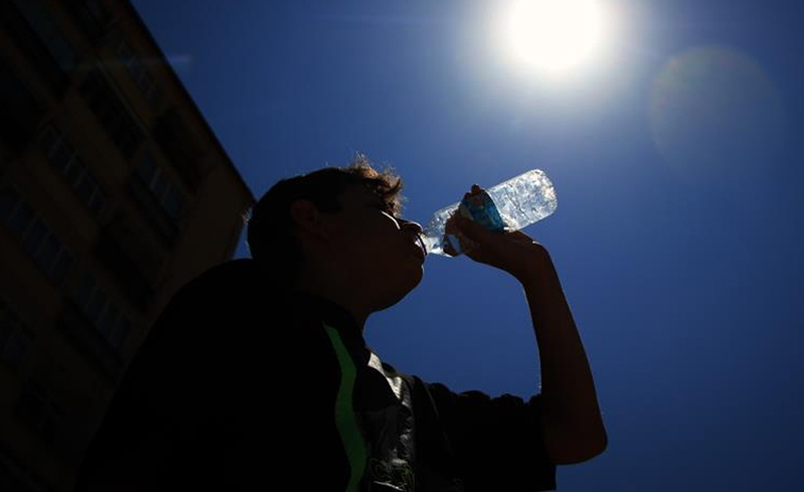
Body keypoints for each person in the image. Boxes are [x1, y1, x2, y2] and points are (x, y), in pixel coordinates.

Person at [74, 155, 607, 491]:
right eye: (386, 213)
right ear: (313, 220)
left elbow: (574, 437)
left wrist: (536, 273)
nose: (416, 226)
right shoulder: (243, 305)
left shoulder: (409, 402)